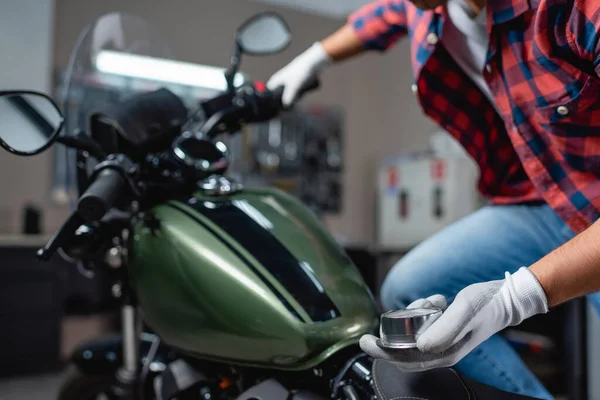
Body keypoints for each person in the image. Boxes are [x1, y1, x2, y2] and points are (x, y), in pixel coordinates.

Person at [267, 0, 600, 398]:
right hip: (540, 200)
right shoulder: (424, 6)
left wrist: (514, 298)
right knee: (410, 289)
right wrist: (315, 58)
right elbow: (383, 17)